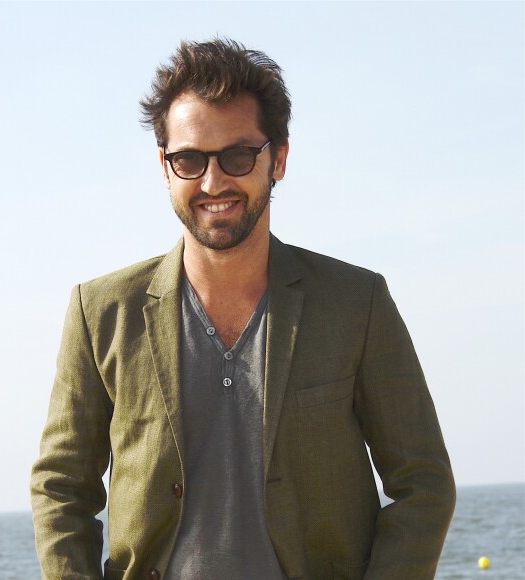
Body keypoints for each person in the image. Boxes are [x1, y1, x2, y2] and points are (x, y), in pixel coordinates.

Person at [31, 38, 456, 580]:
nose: (213, 182)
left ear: (277, 158)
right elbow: (61, 488)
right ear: (165, 167)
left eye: (237, 155)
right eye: (189, 159)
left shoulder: (357, 304)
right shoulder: (102, 313)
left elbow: (423, 483)